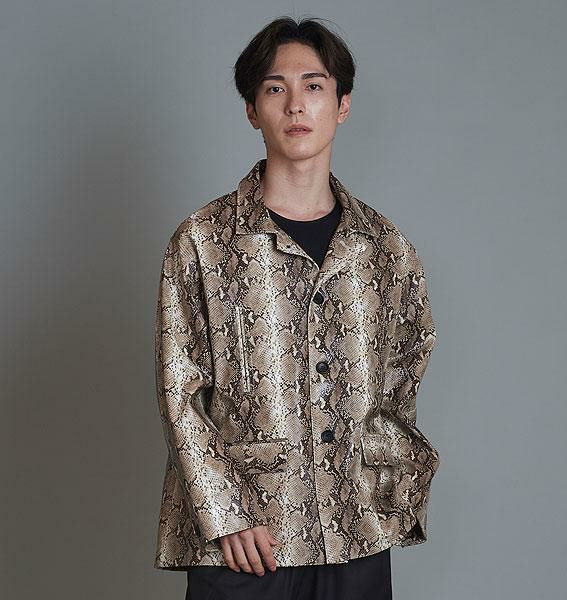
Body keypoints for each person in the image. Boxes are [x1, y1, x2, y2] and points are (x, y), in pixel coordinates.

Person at [153, 16, 441, 600]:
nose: (295, 105)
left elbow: (403, 377)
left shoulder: (385, 249)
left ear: (342, 105)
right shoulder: (204, 242)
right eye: (274, 88)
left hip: (356, 536)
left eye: (314, 85)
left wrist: (389, 487)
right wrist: (225, 511)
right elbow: (179, 389)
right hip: (244, 546)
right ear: (252, 110)